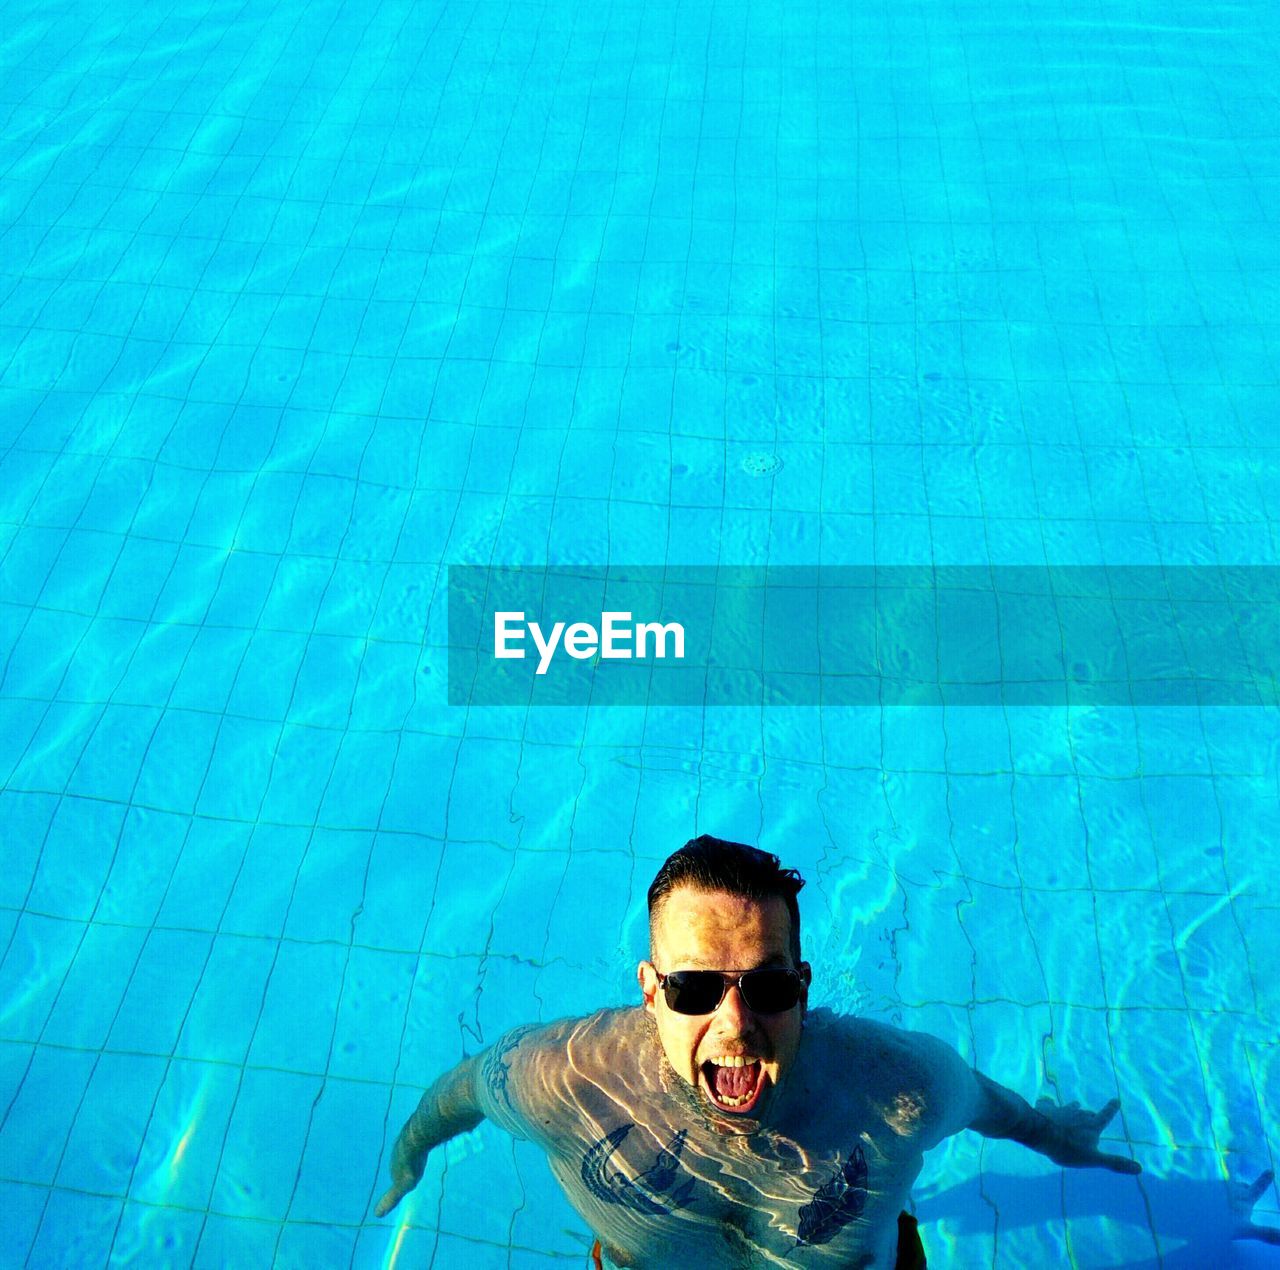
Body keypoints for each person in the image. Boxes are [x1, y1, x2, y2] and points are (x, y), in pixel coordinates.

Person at [374, 835, 1142, 1266]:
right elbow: (465, 1091)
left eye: (767, 987)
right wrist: (411, 1153)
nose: (736, 1024)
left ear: (802, 987)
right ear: (649, 989)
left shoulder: (900, 1092)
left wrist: (1060, 1139)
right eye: (694, 989)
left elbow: (988, 1105)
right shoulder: (565, 1082)